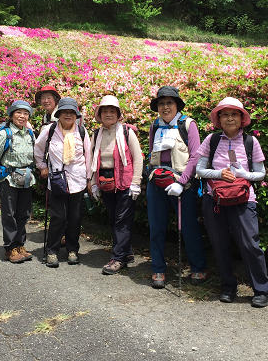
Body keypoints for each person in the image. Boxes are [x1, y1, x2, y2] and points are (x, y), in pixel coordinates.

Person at [196, 97, 268, 307]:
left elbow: (261, 174)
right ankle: (228, 287)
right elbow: (199, 170)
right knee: (220, 245)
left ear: (241, 118)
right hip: (215, 199)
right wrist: (220, 173)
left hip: (244, 200)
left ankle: (262, 290)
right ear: (219, 119)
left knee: (250, 244)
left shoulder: (250, 142)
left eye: (234, 114)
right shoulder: (211, 140)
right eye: (225, 114)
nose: (229, 118)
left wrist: (243, 174)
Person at [145, 86, 207, 289]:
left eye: (169, 103)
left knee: (188, 227)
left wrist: (181, 183)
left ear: (177, 105)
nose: (165, 107)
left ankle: (198, 267)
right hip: (157, 181)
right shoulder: (155, 125)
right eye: (161, 103)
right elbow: (151, 152)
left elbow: (196, 156)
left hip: (182, 183)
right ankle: (158, 269)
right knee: (156, 227)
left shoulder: (188, 124)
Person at [34, 97, 92, 268]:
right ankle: (52, 251)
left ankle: (73, 250)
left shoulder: (81, 131)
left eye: (71, 112)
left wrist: (89, 179)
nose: (68, 115)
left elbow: (88, 156)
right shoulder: (50, 130)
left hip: (78, 180)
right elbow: (38, 149)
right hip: (57, 180)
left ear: (76, 115)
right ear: (58, 114)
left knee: (75, 218)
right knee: (58, 217)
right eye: (64, 112)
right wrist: (42, 166)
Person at [89, 95, 143, 275]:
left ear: (118, 114)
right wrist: (93, 182)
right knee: (114, 218)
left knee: (122, 220)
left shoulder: (127, 132)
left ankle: (118, 258)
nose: (109, 114)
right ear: (100, 114)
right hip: (105, 181)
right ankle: (126, 253)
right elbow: (91, 160)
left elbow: (138, 159)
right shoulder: (96, 134)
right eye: (105, 111)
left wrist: (136, 182)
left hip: (125, 182)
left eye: (113, 111)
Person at [0, 100, 37, 264]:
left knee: (24, 213)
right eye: (19, 112)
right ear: (12, 114)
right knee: (10, 215)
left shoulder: (29, 134)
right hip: (8, 179)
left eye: (26, 113)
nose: (22, 116)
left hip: (26, 178)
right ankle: (10, 248)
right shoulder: (5, 134)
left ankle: (20, 245)